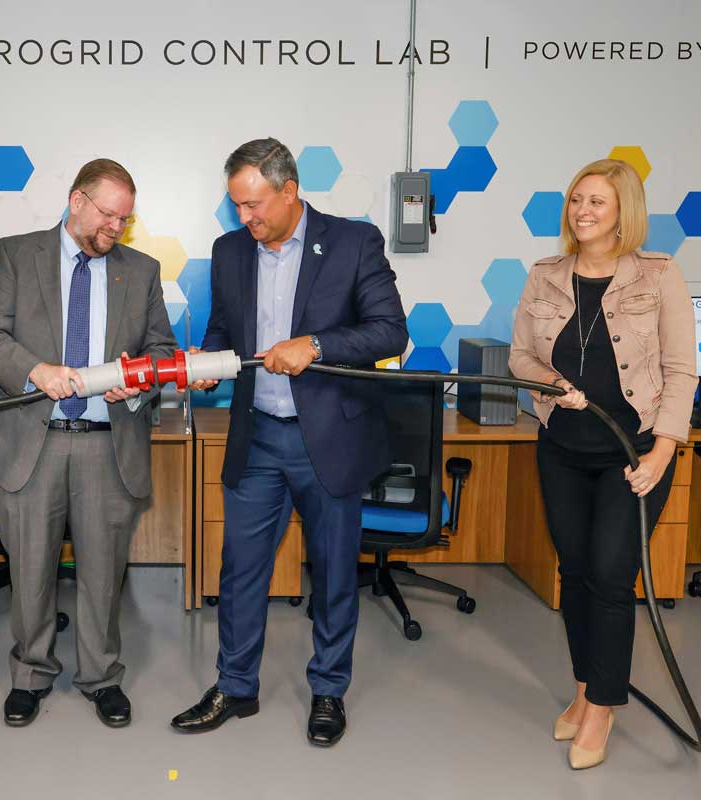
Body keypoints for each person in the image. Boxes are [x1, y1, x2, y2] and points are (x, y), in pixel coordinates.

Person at [170, 138, 408, 746]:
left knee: (331, 576)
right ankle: (236, 687)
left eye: (253, 205)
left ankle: (328, 691)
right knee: (239, 571)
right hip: (259, 440)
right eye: (237, 207)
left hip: (327, 440)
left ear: (290, 190)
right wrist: (209, 361)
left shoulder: (354, 243)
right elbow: (227, 330)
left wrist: (317, 345)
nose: (244, 218)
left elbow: (388, 331)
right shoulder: (230, 252)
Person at [0, 159, 177, 728]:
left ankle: (101, 676)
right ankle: (30, 673)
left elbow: (161, 351)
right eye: (107, 215)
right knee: (30, 571)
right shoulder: (18, 254)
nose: (115, 227)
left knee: (103, 574)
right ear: (76, 200)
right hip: (29, 441)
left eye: (124, 220)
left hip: (107, 445)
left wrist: (133, 381)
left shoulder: (142, 269)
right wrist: (36, 370)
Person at [508, 158, 695, 769]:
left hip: (632, 454)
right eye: (577, 201)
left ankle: (604, 706)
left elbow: (678, 371)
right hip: (562, 449)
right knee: (577, 572)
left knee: (613, 576)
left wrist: (663, 452)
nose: (583, 212)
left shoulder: (659, 276)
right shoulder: (545, 276)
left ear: (623, 215)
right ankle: (585, 686)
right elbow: (519, 358)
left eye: (598, 203)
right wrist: (553, 383)